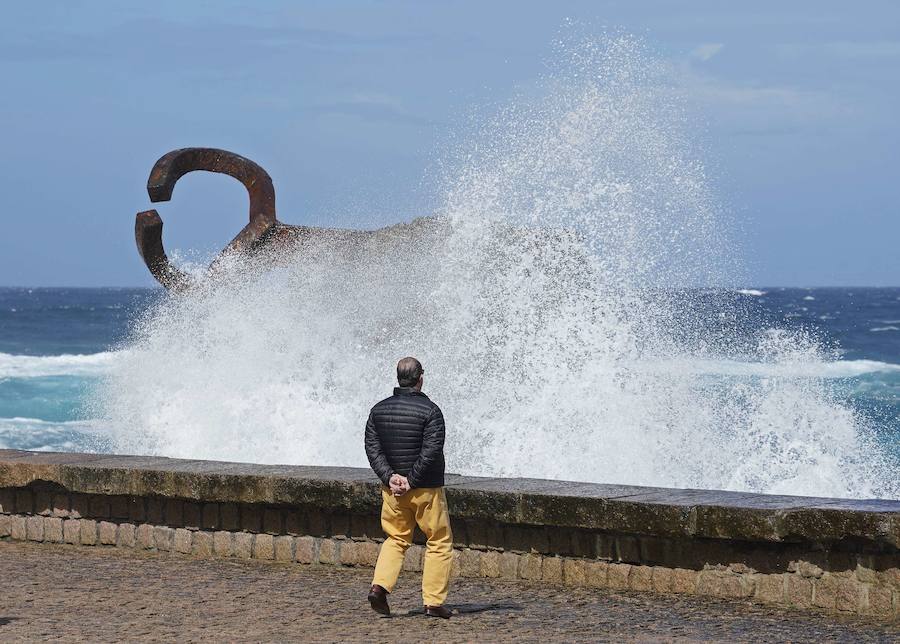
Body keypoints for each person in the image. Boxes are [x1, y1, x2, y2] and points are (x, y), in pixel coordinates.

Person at [364, 356, 453, 619]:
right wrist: (412, 480)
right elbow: (431, 451)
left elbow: (373, 448)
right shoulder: (431, 411)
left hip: (392, 491)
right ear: (420, 378)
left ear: (398, 378)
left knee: (396, 538)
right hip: (426, 489)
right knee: (438, 541)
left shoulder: (378, 410)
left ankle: (379, 588)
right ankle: (433, 603)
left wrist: (390, 476)